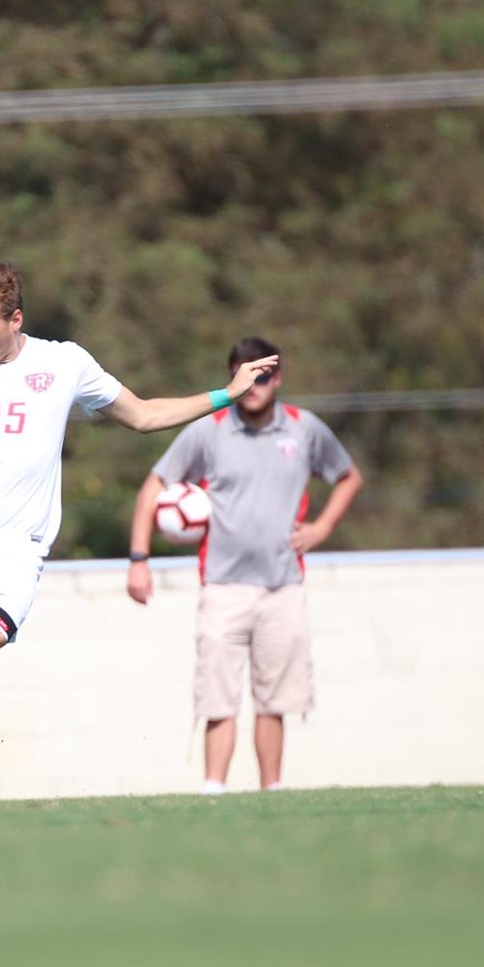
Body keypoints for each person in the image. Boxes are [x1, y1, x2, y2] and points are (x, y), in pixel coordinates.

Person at [0, 257, 279, 811]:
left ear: (15, 318)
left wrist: (225, 394)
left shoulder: (64, 364)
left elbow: (145, 415)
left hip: (12, 552)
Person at [126, 337, 363, 792]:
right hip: (223, 586)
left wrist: (323, 527)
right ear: (234, 376)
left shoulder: (303, 429)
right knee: (218, 698)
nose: (256, 384)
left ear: (279, 379)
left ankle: (270, 791)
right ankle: (214, 788)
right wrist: (140, 559)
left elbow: (349, 477)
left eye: (265, 375)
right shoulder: (208, 430)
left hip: (283, 586)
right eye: (247, 374)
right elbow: (152, 488)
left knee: (274, 699)